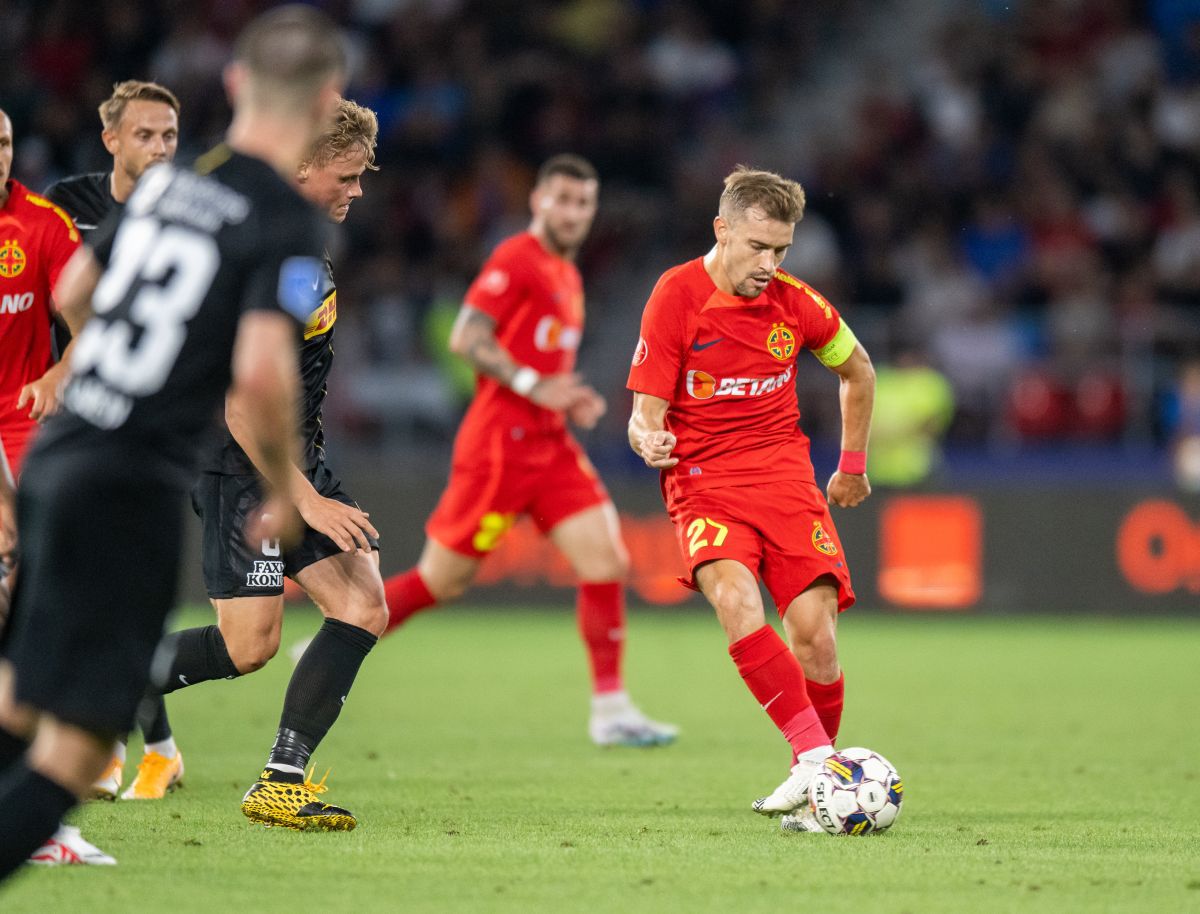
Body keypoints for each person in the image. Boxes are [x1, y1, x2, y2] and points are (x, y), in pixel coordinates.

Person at [0, 4, 346, 877]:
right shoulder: (284, 219)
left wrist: (104, 368)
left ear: (234, 85)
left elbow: (79, 282)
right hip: (131, 480)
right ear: (323, 103)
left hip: (63, 447)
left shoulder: (173, 177)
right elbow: (265, 374)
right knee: (79, 748)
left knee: (20, 693)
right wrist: (280, 488)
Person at [142, 97, 385, 832]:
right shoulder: (279, 249)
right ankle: (116, 671)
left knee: (363, 603)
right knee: (249, 646)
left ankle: (281, 780)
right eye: (345, 175)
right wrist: (304, 497)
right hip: (239, 464)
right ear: (303, 165)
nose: (357, 189)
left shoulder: (292, 239)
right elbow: (243, 397)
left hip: (287, 458)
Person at [380, 154, 677, 748]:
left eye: (583, 203)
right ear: (538, 201)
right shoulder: (517, 257)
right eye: (561, 200)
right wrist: (532, 385)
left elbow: (540, 359)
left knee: (607, 562)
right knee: (442, 580)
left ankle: (611, 709)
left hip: (550, 442)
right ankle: (339, 636)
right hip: (500, 447)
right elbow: (467, 337)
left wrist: (564, 399)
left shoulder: (567, 273)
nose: (571, 213)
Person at [625, 166, 875, 832]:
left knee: (817, 638)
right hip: (704, 483)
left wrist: (851, 466)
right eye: (758, 247)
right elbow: (644, 412)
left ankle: (814, 789)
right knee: (735, 599)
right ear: (723, 229)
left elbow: (859, 370)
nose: (770, 264)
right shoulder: (675, 295)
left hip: (786, 480)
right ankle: (819, 761)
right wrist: (648, 435)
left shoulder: (797, 303)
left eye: (782, 251)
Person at [43, 79, 184, 803]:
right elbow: (55, 295)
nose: (160, 149)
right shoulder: (69, 207)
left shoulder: (190, 211)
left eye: (169, 136)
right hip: (73, 414)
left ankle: (122, 744)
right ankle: (139, 746)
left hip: (156, 426)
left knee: (109, 584)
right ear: (112, 141)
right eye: (145, 136)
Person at [0, 110, 81, 477]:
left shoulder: (46, 225)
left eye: (3, 144)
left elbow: (92, 329)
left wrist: (57, 376)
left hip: (22, 429)